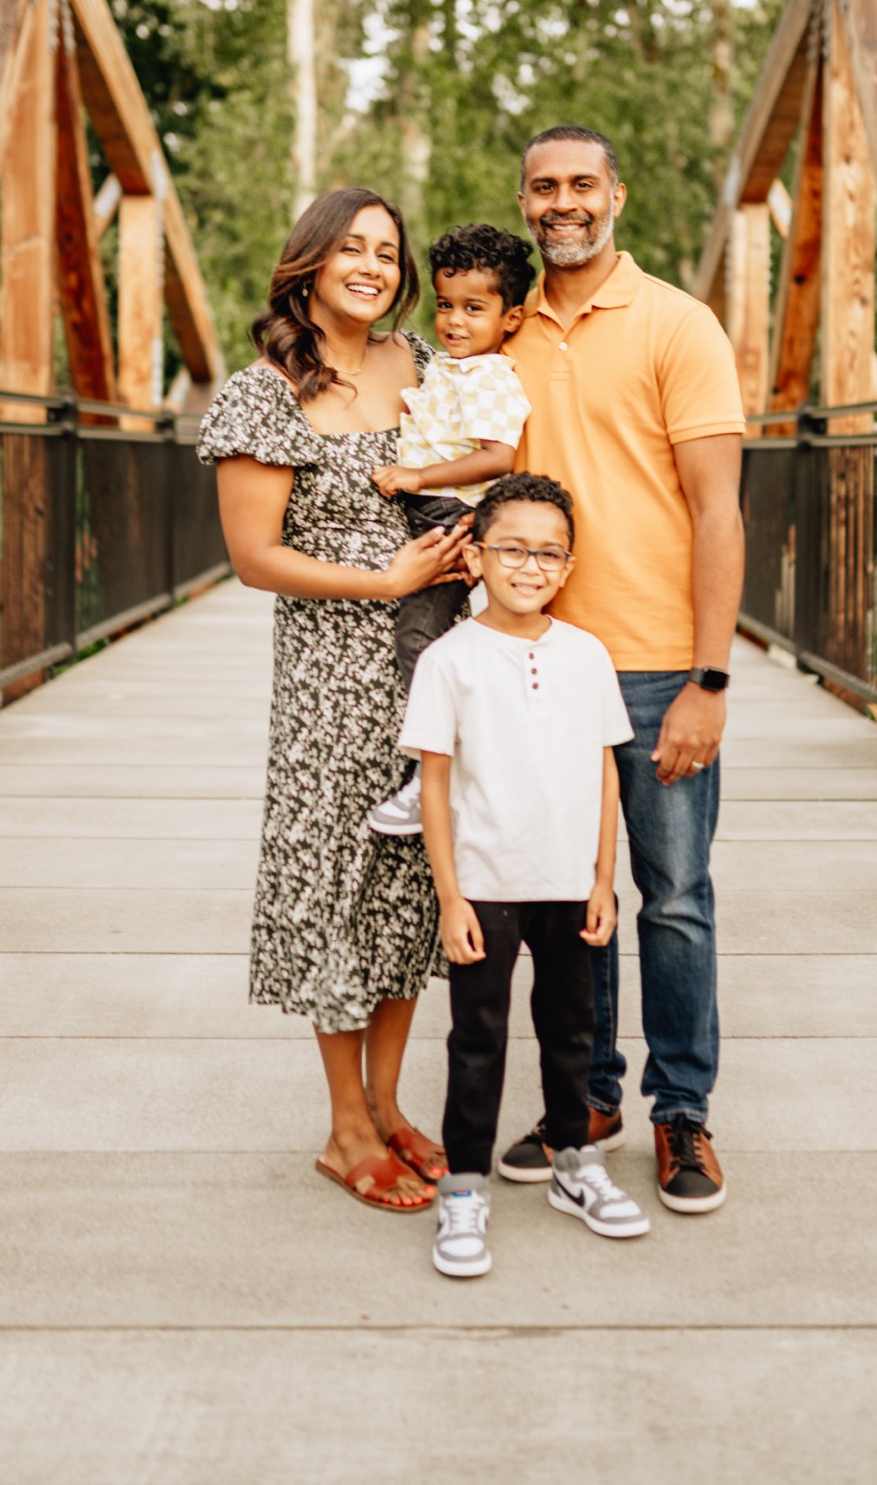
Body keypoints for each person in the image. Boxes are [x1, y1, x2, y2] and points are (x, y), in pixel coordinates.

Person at [197, 187, 470, 1213]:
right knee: (341, 881)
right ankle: (343, 1125)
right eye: (351, 246)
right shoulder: (265, 391)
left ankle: (391, 1102)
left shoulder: (426, 365)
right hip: (332, 675)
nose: (372, 263)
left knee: (409, 881)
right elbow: (254, 557)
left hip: (434, 658)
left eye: (387, 250)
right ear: (308, 263)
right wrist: (383, 579)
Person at [500, 125, 745, 1215]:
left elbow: (718, 510)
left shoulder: (676, 324)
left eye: (582, 183)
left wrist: (710, 677)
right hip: (539, 663)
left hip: (653, 668)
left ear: (618, 193)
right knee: (569, 901)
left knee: (676, 899)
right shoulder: (496, 333)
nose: (564, 201)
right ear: (525, 200)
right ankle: (585, 1097)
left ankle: (680, 1108)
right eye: (545, 186)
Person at [400, 473, 650, 1278]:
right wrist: (449, 896)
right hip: (484, 882)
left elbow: (607, 771)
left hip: (569, 880)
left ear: (568, 565)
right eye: (510, 548)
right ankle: (465, 1188)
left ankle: (574, 1164)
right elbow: (433, 782)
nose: (530, 565)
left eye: (548, 552)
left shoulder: (586, 655)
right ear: (475, 555)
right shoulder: (449, 661)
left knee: (572, 1029)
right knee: (477, 1038)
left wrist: (604, 879)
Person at [368, 223, 535, 836]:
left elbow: (497, 456)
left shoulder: (489, 375)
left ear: (511, 317)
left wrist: (416, 476)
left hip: (449, 514)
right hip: (437, 511)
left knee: (419, 639)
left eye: (474, 308)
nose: (455, 321)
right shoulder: (454, 367)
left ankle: (434, 772)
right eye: (445, 305)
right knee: (433, 636)